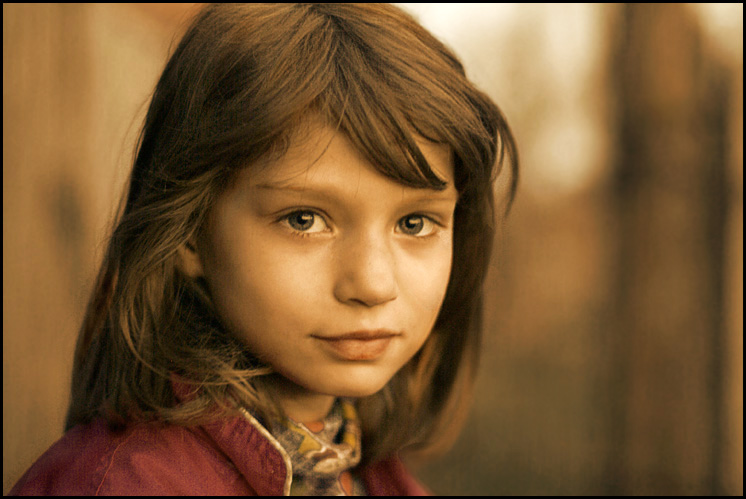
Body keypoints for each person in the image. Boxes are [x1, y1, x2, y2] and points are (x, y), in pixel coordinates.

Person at [10, 3, 517, 495]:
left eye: (414, 222)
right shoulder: (119, 486)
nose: (372, 284)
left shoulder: (369, 476)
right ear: (188, 233)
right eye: (305, 220)